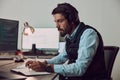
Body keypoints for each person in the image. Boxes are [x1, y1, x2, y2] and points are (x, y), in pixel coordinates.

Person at [26, 2, 107, 80]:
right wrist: (44, 62)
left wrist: (48, 67)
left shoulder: (88, 34)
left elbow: (80, 68)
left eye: (60, 21)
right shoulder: (70, 36)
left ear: (72, 20)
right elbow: (63, 57)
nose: (57, 26)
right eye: (55, 22)